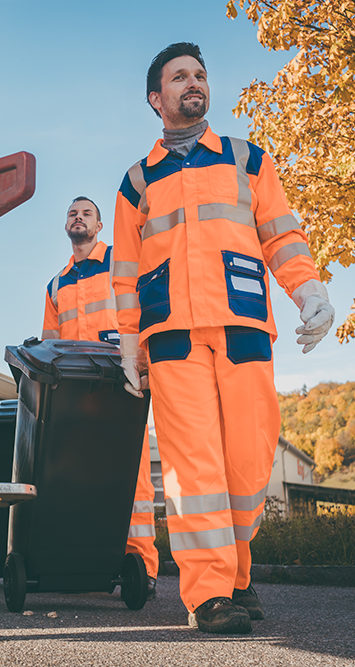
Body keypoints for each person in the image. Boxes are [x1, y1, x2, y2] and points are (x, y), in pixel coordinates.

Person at [112, 42, 335, 634]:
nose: (194, 82)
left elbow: (282, 238)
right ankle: (208, 594)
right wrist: (129, 346)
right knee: (194, 469)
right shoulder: (137, 183)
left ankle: (237, 574)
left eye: (201, 75)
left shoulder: (249, 160)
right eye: (179, 76)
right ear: (156, 99)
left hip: (243, 330)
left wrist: (308, 291)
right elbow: (125, 274)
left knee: (249, 463)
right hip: (173, 340)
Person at [43, 196, 160, 598]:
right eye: (72, 213)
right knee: (80, 475)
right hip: (77, 391)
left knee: (134, 476)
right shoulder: (56, 284)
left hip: (121, 380)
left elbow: (145, 312)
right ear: (66, 225)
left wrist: (144, 365)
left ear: (100, 225)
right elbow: (49, 343)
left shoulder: (121, 265)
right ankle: (86, 561)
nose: (78, 218)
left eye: (86, 214)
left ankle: (140, 565)